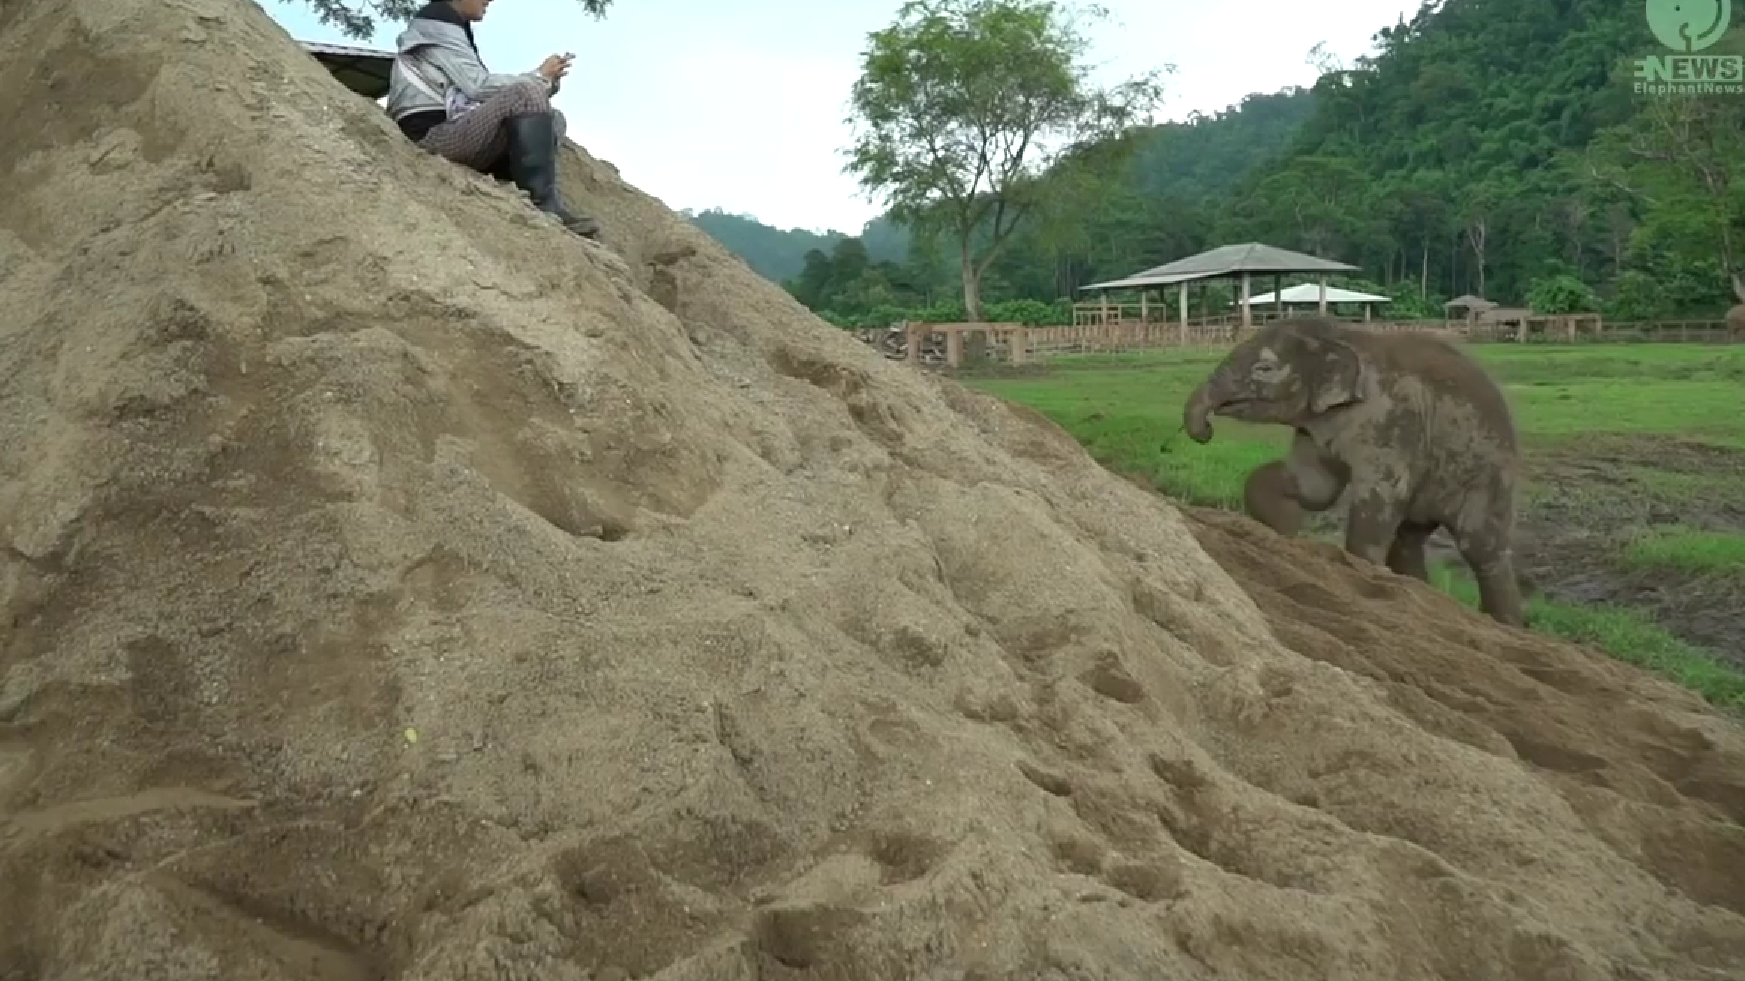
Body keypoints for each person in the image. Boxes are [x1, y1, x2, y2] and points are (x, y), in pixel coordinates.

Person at [385, 0, 602, 239]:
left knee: (554, 118)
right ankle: (543, 203)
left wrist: (546, 82)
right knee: (525, 92)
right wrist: (538, 77)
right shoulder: (436, 25)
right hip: (432, 136)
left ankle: (517, 177)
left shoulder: (451, 27)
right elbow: (478, 87)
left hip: (459, 130)